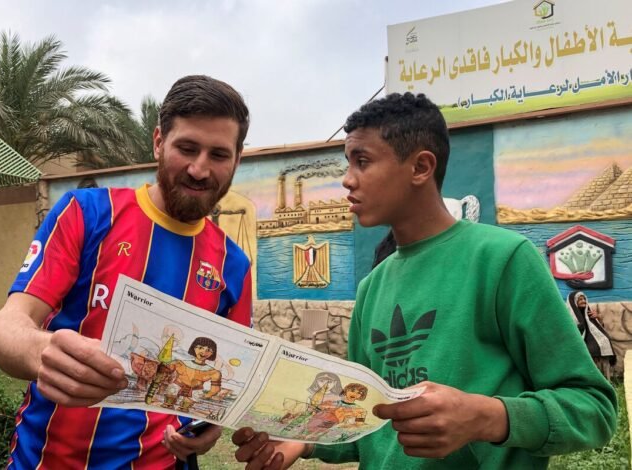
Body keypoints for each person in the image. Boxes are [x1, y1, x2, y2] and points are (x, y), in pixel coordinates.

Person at [232, 92, 617, 469]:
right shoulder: (372, 287)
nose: (347, 180)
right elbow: (375, 422)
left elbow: (594, 410)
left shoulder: (503, 260)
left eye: (362, 161)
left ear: (420, 167)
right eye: (348, 164)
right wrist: (304, 437)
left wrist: (486, 417)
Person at [0, 74, 253, 469]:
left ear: (237, 160)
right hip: (46, 460)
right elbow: (3, 332)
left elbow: (222, 383)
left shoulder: (235, 266)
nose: (199, 169)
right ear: (159, 142)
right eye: (187, 148)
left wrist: (211, 424)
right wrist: (42, 351)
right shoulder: (86, 213)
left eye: (218, 154)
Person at [566, 291, 616, 379]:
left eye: (584, 298)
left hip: (593, 340)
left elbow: (599, 328)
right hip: (580, 342)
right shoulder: (568, 316)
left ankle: (607, 380)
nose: (584, 301)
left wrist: (598, 318)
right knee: (592, 349)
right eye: (580, 299)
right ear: (573, 302)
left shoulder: (589, 313)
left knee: (604, 342)